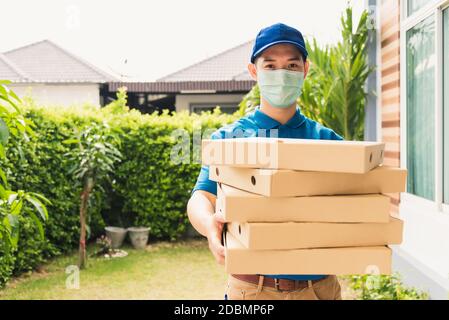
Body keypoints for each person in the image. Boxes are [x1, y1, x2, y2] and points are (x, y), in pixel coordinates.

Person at [187, 23, 343, 300]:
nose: (282, 74)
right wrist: (209, 224)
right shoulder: (229, 139)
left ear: (305, 70)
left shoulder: (327, 141)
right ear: (253, 71)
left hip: (320, 290)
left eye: (291, 66)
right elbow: (202, 196)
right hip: (253, 290)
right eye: (270, 66)